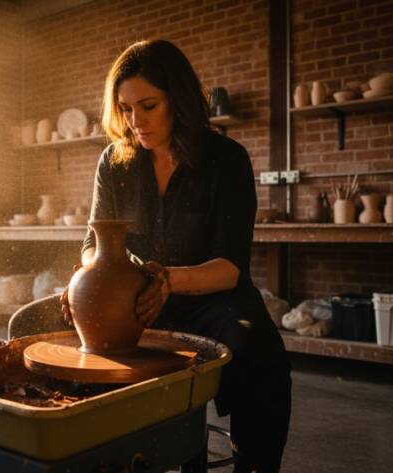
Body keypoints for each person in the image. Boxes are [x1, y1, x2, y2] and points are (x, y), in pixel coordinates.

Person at [61, 40, 291, 473]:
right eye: (125, 109)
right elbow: (93, 243)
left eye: (148, 106)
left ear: (179, 101)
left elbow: (228, 268)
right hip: (135, 302)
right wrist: (84, 277)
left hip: (211, 301)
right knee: (31, 326)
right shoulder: (115, 161)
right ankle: (92, 454)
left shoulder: (226, 159)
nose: (135, 121)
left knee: (261, 352)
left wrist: (166, 280)